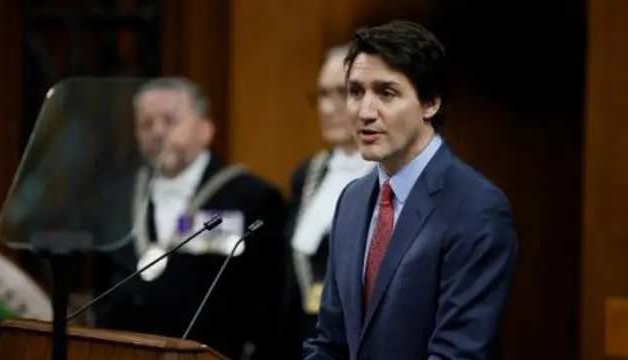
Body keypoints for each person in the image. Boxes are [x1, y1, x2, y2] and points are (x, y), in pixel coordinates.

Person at [303, 21, 518, 360]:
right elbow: (330, 342)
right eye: (356, 92)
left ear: (430, 102)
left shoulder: (477, 207)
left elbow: (458, 353)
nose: (364, 112)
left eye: (386, 93)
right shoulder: (352, 200)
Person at [93, 77, 287, 360]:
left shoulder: (251, 197)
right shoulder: (116, 198)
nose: (158, 132)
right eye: (146, 124)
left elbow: (269, 300)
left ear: (206, 130)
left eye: (170, 121)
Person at [282, 44, 375, 358]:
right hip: (304, 339)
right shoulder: (309, 173)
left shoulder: (389, 174)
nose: (328, 107)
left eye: (343, 92)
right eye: (322, 94)